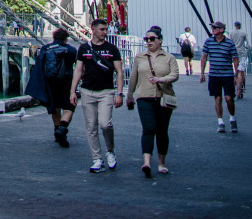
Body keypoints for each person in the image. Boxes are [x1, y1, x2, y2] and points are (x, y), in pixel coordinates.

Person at [71, 15, 124, 171]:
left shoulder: (112, 49)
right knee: (91, 126)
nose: (105, 32)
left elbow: (119, 72)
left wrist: (119, 93)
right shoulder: (83, 48)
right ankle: (97, 158)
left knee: (105, 123)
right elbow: (78, 70)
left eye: (106, 29)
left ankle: (110, 150)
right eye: (102, 29)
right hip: (87, 90)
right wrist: (73, 91)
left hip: (106, 91)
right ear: (93, 30)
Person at [126, 26, 179, 177]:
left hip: (164, 98)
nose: (148, 41)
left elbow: (175, 75)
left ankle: (161, 163)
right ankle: (146, 163)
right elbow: (134, 77)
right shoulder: (140, 57)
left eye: (152, 39)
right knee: (148, 129)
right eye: (146, 39)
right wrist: (129, 95)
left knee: (162, 131)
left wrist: (161, 79)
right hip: (144, 97)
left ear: (160, 40)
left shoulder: (169, 58)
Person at [26, 26, 79, 146]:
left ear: (54, 37)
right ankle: (62, 129)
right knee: (69, 108)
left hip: (50, 83)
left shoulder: (46, 48)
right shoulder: (71, 50)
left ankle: (57, 130)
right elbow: (79, 67)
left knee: (55, 107)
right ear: (66, 39)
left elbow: (39, 64)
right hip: (67, 83)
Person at [201, 20, 239, 132]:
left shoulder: (229, 43)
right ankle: (220, 121)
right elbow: (204, 57)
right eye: (212, 28)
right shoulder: (208, 42)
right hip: (214, 75)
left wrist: (236, 75)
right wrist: (202, 73)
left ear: (221, 30)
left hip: (227, 75)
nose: (213, 29)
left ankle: (232, 118)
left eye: (215, 28)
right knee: (217, 98)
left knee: (229, 98)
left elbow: (235, 59)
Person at [233, 21, 249, 100]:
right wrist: (246, 49)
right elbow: (248, 44)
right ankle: (240, 90)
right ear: (240, 26)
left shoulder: (231, 33)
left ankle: (237, 88)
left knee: (236, 71)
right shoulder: (243, 33)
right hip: (242, 54)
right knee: (241, 72)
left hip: (234, 54)